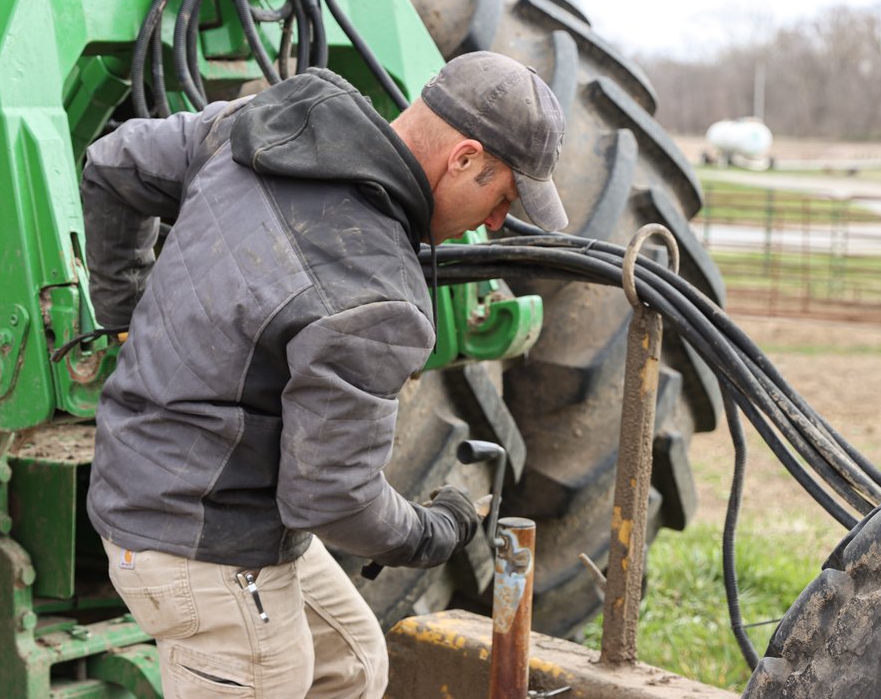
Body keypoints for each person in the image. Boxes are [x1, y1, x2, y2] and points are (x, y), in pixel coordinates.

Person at [82, 51, 567, 698]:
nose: (498, 222)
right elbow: (331, 498)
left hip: (171, 485)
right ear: (465, 158)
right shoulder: (377, 292)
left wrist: (123, 314)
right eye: (503, 195)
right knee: (274, 676)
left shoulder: (261, 126)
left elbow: (114, 165)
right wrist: (433, 530)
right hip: (199, 539)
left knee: (352, 664)